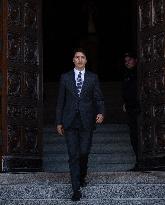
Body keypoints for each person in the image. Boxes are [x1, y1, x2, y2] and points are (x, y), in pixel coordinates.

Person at [56, 48, 105, 201]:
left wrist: (101, 112)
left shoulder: (93, 77)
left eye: (82, 57)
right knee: (73, 155)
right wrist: (58, 122)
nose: (79, 59)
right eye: (77, 57)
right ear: (73, 60)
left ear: (86, 60)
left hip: (86, 120)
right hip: (69, 121)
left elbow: (99, 99)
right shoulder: (65, 77)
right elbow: (60, 102)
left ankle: (82, 175)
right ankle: (75, 188)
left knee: (83, 152)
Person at [121, 52, 140, 171]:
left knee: (140, 135)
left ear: (136, 60)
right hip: (131, 109)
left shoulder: (141, 72)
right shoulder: (127, 74)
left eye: (130, 60)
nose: (127, 62)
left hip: (141, 108)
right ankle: (139, 161)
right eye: (125, 61)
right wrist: (125, 103)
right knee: (134, 136)